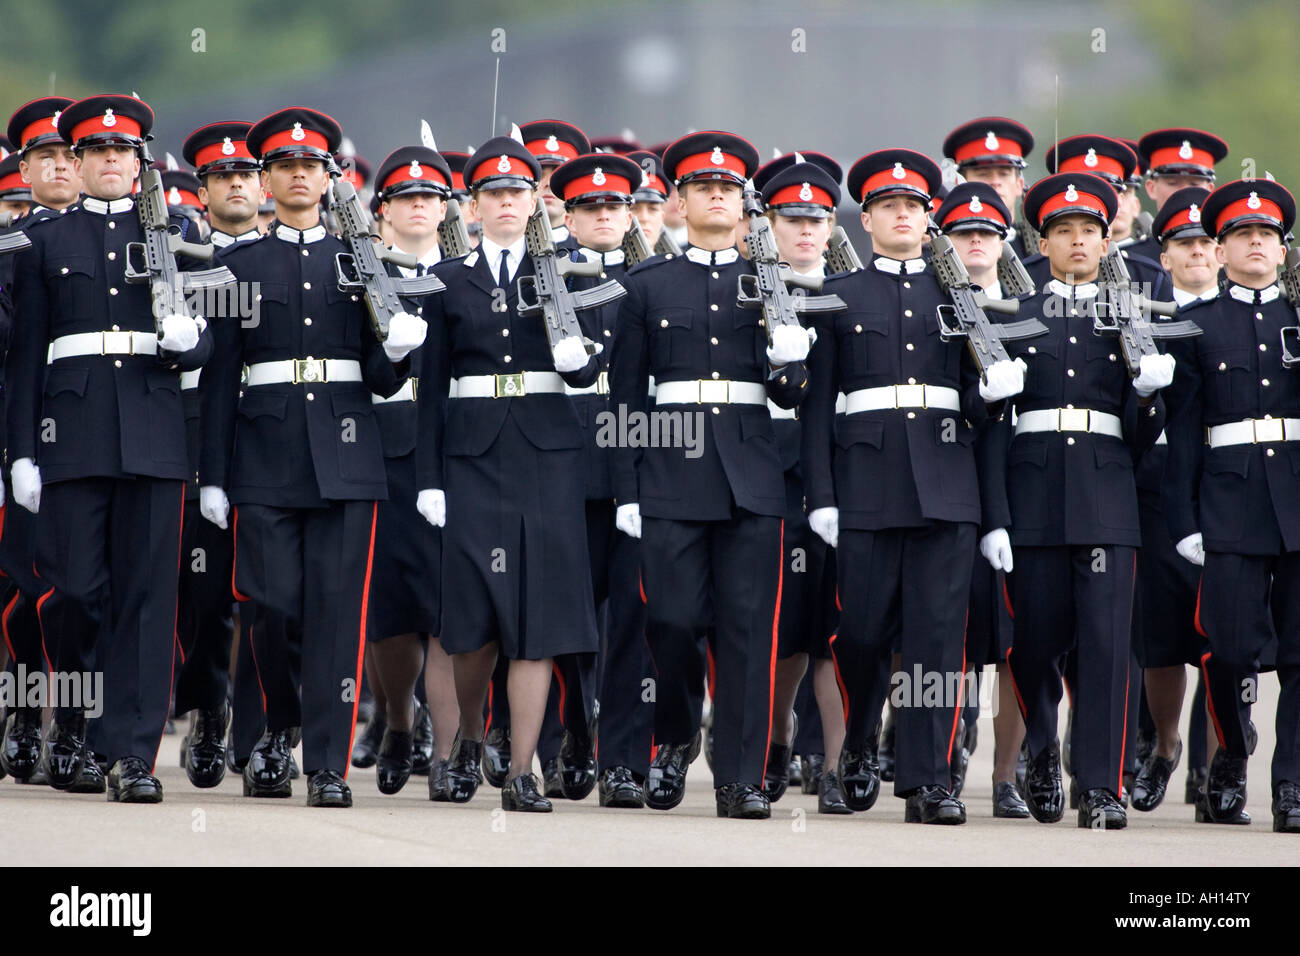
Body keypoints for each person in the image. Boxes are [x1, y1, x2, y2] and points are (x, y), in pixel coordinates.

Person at [199, 106, 422, 808]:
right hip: (264, 456)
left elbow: (380, 378)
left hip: (347, 456)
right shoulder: (239, 265)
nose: (300, 176)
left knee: (337, 612)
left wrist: (398, 349)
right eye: (285, 167)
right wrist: (212, 474)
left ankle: (326, 763)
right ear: (266, 179)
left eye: (311, 166)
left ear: (329, 178)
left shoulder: (362, 262)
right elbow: (216, 381)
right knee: (271, 606)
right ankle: (276, 726)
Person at [803, 150, 1022, 825]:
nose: (903, 214)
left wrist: (992, 397)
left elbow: (978, 413)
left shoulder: (957, 298)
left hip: (947, 487)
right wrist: (821, 497)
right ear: (865, 217)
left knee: (935, 641)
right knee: (862, 635)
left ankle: (929, 781)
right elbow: (818, 408)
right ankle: (860, 747)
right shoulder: (840, 295)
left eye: (915, 206)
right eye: (889, 205)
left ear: (930, 220)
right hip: (866, 487)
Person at [7, 93, 213, 803]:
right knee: (75, 591)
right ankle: (76, 716)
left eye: (122, 152)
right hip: (72, 434)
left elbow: (207, 337)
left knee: (148, 600)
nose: (109, 162)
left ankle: (130, 756)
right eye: (96, 152)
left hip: (154, 433)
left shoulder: (176, 229)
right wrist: (22, 452)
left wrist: (192, 340)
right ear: (79, 160)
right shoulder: (45, 242)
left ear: (138, 161)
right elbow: (28, 354)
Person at [610, 130, 809, 819]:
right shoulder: (647, 285)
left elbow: (793, 395)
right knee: (670, 619)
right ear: (681, 200)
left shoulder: (774, 281)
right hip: (671, 471)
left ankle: (740, 776)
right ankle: (672, 736)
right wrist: (628, 487)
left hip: (752, 473)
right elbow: (627, 396)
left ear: (744, 203)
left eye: (728, 188)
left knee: (750, 631)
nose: (717, 195)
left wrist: (791, 363)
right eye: (703, 187)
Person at [979, 172, 1175, 829]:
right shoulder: (1015, 312)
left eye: (1089, 230)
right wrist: (996, 515)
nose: (1078, 241)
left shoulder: (1130, 316)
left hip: (1105, 495)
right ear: (1045, 240)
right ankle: (1039, 751)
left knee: (1105, 646)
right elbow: (992, 424)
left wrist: (1148, 394)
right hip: (1032, 494)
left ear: (1105, 239)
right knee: (1033, 642)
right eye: (1064, 232)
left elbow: (1142, 436)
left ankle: (1102, 785)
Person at [414, 131, 601, 812]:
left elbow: (588, 370)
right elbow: (431, 388)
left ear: (534, 200)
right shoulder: (449, 279)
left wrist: (577, 350)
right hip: (471, 458)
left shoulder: (566, 272)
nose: (505, 204)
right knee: (475, 618)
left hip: (546, 458)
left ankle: (523, 769)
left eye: (517, 192)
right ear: (474, 203)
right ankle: (465, 742)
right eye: (493, 193)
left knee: (538, 618)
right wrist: (430, 479)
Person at [1161, 177, 1300, 833]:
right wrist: (1184, 520)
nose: (1255, 244)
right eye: (1242, 235)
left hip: (1297, 500)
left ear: (1282, 248)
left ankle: (1293, 784)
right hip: (1229, 500)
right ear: (1219, 250)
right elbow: (1184, 429)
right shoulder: (1196, 324)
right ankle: (1229, 764)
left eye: (1266, 235)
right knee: (1230, 651)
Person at [547, 151, 654, 807]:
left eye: (614, 205)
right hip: (568, 464)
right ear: (569, 213)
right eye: (590, 206)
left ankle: (624, 759)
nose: (604, 216)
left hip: (642, 465)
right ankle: (571, 738)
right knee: (566, 619)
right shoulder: (549, 275)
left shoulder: (655, 277)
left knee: (636, 622)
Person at [749, 151, 849, 813]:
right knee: (781, 625)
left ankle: (840, 765)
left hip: (847, 474)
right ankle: (776, 737)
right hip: (773, 473)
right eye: (793, 217)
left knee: (836, 629)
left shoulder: (856, 294)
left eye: (818, 216)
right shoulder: (748, 291)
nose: (807, 228)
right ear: (771, 222)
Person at [932, 180, 1033, 818]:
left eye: (987, 232)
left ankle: (1008, 774)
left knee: (1022, 641)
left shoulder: (1034, 308)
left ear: (1003, 242)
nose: (976, 241)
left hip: (1035, 488)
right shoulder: (932, 310)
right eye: (964, 233)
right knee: (955, 634)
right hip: (958, 487)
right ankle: (946, 751)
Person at [365, 143, 458, 797]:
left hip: (459, 453)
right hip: (391, 450)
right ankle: (399, 721)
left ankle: (449, 746)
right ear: (384, 212)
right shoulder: (364, 274)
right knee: (395, 613)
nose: (419, 205)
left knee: (453, 611)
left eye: (430, 197)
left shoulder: (468, 275)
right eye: (406, 197)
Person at [0, 96, 79, 786]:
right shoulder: (13, 245)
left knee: (84, 588)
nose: (59, 165)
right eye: (44, 156)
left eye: (66, 154)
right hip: (19, 431)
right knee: (27, 588)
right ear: (25, 168)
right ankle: (26, 711)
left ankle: (77, 727)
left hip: (88, 435)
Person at [941, 117, 1035, 258]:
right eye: (983, 174)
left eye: (1004, 174)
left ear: (1019, 185)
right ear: (959, 184)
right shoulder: (945, 253)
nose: (995, 182)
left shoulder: (1041, 252)